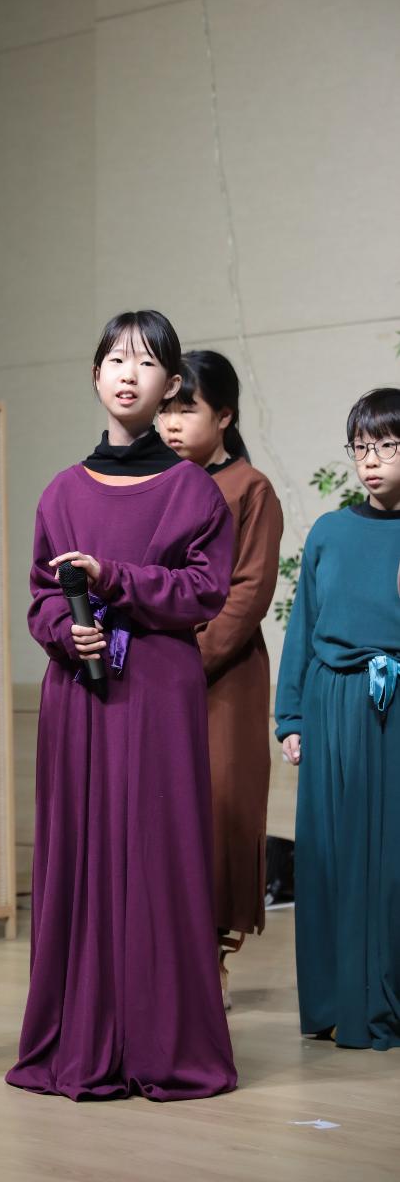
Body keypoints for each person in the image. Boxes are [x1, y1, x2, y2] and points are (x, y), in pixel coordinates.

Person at [6, 310, 237, 1101]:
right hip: (77, 692)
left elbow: (203, 590)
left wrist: (114, 580)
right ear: (95, 375)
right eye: (114, 359)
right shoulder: (61, 490)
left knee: (158, 858)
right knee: (77, 854)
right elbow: (41, 595)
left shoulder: (193, 490)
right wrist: (65, 632)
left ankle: (162, 1044)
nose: (128, 374)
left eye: (146, 362)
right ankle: (80, 1041)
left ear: (170, 385)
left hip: (158, 691)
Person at [275, 387, 400, 1050]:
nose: (370, 461)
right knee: (328, 855)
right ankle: (333, 1001)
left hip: (394, 701)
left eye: (387, 447)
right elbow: (302, 626)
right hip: (331, 703)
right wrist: (291, 716)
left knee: (390, 862)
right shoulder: (327, 531)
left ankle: (385, 1001)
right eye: (360, 448)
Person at [159, 351, 283, 1008]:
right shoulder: (156, 484)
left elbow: (248, 594)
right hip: (154, 675)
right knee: (163, 816)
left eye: (187, 409)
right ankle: (164, 959)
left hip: (221, 679)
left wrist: (186, 662)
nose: (171, 424)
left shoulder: (249, 487)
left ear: (225, 416)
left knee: (218, 812)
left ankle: (210, 961)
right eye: (165, 410)